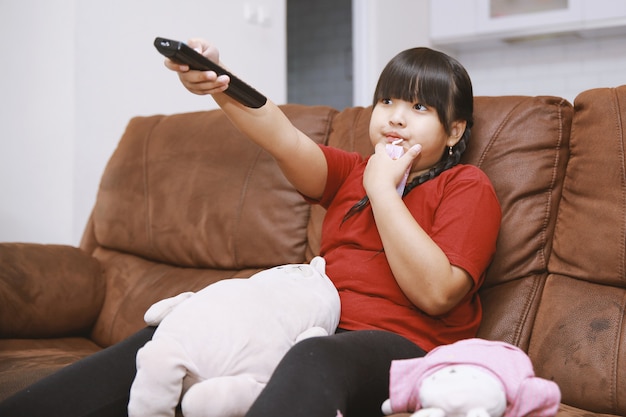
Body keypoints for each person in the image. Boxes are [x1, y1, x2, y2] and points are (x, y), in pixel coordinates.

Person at [0, 40, 501, 417]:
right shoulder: (351, 172)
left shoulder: (465, 185)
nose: (395, 119)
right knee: (168, 337)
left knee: (314, 357)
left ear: (454, 130)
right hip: (306, 324)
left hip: (403, 347)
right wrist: (219, 83)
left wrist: (384, 191)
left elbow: (437, 294)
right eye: (387, 102)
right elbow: (283, 138)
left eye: (418, 108)